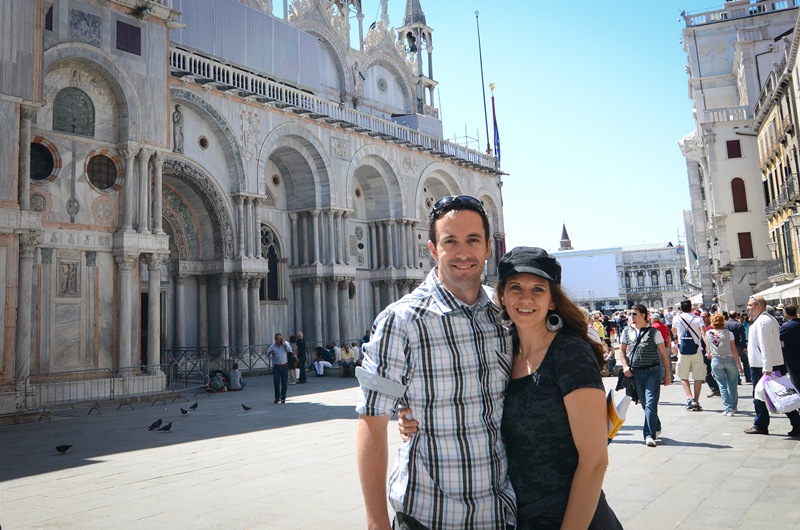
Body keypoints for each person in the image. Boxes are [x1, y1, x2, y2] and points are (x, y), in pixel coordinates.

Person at [397, 246, 622, 528]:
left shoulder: (570, 354)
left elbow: (595, 461)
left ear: (553, 300)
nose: (526, 298)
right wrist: (411, 417)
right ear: (502, 296)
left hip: (571, 514)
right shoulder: (504, 351)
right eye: (515, 287)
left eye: (538, 289)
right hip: (516, 513)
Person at [356, 195, 516, 530]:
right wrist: (376, 522)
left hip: (500, 513)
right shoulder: (401, 321)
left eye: (473, 240)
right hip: (428, 513)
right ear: (433, 249)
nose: (462, 253)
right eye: (450, 242)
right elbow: (372, 420)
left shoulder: (504, 316)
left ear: (488, 247)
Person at [744, 295, 800, 435]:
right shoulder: (762, 320)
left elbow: (765, 345)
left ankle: (761, 425)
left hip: (765, 366)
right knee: (775, 395)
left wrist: (767, 368)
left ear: (759, 306)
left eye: (750, 305)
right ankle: (794, 423)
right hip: (765, 364)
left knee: (774, 395)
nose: (748, 308)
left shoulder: (763, 322)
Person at [619, 304, 673, 446]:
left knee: (651, 402)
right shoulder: (626, 332)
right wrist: (624, 366)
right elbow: (622, 350)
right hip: (635, 372)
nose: (631, 316)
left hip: (652, 371)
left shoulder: (654, 332)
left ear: (643, 315)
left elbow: (663, 354)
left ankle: (649, 435)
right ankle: (657, 425)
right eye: (630, 314)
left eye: (634, 313)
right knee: (644, 403)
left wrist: (668, 374)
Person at [705, 313, 743, 416]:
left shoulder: (708, 333)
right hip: (730, 359)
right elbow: (734, 350)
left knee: (722, 385)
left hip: (716, 360)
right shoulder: (729, 333)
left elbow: (708, 349)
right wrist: (739, 365)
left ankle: (727, 408)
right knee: (733, 385)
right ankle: (734, 407)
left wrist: (709, 354)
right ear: (723, 322)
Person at [672, 300, 706, 412]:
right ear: (691, 308)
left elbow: (674, 332)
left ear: (680, 308)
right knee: (698, 377)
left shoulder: (677, 318)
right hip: (697, 350)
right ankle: (696, 400)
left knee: (683, 376)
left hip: (683, 351)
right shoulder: (698, 318)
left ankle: (690, 398)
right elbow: (703, 334)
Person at [780, 305, 800, 436]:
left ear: (786, 313)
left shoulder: (786, 327)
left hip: (794, 361)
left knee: (797, 386)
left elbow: (778, 340)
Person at [266, 333, 292, 403]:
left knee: (284, 383)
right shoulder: (272, 346)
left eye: (280, 338)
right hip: (276, 366)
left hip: (284, 366)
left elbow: (290, 350)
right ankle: (277, 397)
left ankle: (283, 397)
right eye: (277, 339)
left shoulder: (285, 344)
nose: (279, 340)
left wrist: (284, 344)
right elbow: (267, 354)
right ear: (275, 339)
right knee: (276, 382)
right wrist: (270, 352)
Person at [725, 311, 750, 383]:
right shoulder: (738, 325)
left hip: (730, 346)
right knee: (745, 361)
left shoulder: (725, 325)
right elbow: (742, 337)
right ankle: (748, 377)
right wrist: (744, 347)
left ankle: (737, 378)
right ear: (736, 316)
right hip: (739, 345)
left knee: (734, 362)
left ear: (729, 315)